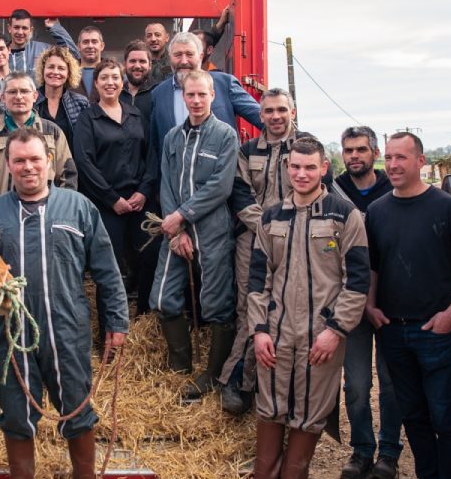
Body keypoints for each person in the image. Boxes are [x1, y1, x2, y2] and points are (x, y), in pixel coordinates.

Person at [0, 126, 129, 479]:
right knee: (15, 409)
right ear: (9, 165)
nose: (28, 167)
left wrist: (117, 321)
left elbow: (107, 271)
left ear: (50, 161)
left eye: (35, 159)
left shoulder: (79, 208)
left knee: (77, 405)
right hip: (11, 332)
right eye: (19, 161)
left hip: (67, 326)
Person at [239, 136, 370, 479]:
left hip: (321, 333)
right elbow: (257, 279)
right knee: (272, 405)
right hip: (276, 330)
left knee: (310, 408)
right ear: (287, 167)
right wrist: (259, 330)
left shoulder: (344, 215)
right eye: (295, 166)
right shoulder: (271, 216)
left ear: (324, 168)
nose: (301, 173)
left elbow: (358, 281)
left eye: (309, 167)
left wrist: (337, 330)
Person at [365, 132, 451, 479]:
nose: (393, 165)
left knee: (444, 417)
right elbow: (374, 268)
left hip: (435, 332)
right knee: (413, 415)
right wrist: (369, 305)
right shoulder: (378, 211)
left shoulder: (449, 209)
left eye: (402, 157)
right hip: (393, 333)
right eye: (388, 158)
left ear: (421, 161)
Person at [219, 89, 322, 416]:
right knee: (250, 307)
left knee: (292, 308)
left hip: (299, 239)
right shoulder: (248, 150)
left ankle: (277, 385)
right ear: (260, 115)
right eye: (269, 111)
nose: (275, 116)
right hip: (254, 240)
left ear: (293, 111)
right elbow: (239, 194)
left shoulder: (308, 147)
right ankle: (236, 381)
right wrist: (268, 228)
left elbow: (320, 188)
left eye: (282, 110)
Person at [150, 69, 239, 403]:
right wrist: (176, 228)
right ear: (183, 97)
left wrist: (182, 215)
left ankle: (213, 375)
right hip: (176, 230)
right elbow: (167, 183)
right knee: (161, 298)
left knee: (216, 304)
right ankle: (180, 367)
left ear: (212, 96)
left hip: (213, 230)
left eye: (203, 94)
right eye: (191, 95)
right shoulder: (173, 137)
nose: (197, 100)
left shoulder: (226, 135)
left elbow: (220, 187)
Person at [332, 125, 402, 479]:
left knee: (392, 384)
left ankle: (389, 453)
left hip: (390, 303)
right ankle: (361, 450)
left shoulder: (392, 190)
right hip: (351, 304)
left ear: (374, 152)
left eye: (361, 149)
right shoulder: (335, 191)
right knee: (356, 383)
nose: (354, 156)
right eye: (348, 150)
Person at [73, 59, 159, 328]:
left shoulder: (136, 116)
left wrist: (144, 192)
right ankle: (111, 327)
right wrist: (112, 199)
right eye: (104, 78)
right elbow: (84, 163)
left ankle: (144, 321)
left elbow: (151, 156)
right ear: (96, 84)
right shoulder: (88, 119)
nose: (110, 82)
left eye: (115, 77)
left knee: (150, 256)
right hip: (106, 204)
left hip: (139, 200)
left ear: (122, 82)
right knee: (110, 266)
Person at [147, 32, 262, 158]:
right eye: (178, 55)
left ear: (201, 56)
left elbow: (264, 119)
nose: (184, 61)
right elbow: (154, 146)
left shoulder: (225, 84)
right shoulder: (159, 93)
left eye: (190, 54)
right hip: (177, 176)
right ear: (170, 58)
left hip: (222, 174)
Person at [0, 72, 77, 196]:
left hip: (45, 212)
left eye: (24, 91)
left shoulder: (52, 132)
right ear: (3, 98)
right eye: (12, 92)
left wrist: (57, 208)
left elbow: (68, 176)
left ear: (35, 96)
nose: (18, 97)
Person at [34, 45, 90, 145]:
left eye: (61, 68)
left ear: (69, 73)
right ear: (43, 70)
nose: (55, 72)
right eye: (51, 67)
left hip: (71, 160)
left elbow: (87, 141)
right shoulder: (31, 101)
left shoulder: (81, 103)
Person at [6, 9, 78, 76]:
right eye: (16, 27)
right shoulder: (0, 53)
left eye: (24, 28)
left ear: (31, 30)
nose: (20, 32)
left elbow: (73, 55)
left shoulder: (43, 50)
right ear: (9, 28)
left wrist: (56, 28)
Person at [121, 39, 156, 128]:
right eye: (132, 61)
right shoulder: (116, 94)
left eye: (142, 61)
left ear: (150, 65)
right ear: (125, 64)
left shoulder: (158, 93)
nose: (137, 66)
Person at [73, 26, 104, 99]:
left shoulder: (112, 72)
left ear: (102, 46)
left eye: (94, 42)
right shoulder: (68, 72)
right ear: (79, 46)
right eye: (86, 42)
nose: (90, 46)